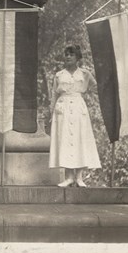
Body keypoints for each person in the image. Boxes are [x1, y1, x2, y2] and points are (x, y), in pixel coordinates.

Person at [48, 45, 101, 187]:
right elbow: (54, 94)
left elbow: (97, 88)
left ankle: (79, 177)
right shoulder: (59, 75)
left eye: (71, 54)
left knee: (79, 139)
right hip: (63, 108)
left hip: (78, 108)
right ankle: (68, 176)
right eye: (66, 54)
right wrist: (52, 112)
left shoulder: (85, 74)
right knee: (65, 140)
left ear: (77, 57)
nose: (68, 57)